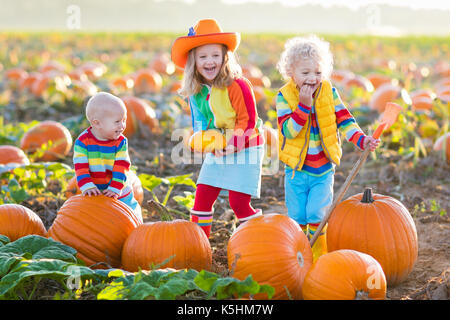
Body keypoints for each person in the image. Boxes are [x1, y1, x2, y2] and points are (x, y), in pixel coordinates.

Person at [275, 35, 380, 261]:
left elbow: (345, 120)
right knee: (296, 215)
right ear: (291, 73)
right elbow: (288, 131)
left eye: (318, 72)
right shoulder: (284, 97)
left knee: (317, 214)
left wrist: (362, 140)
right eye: (305, 73)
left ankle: (317, 257)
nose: (313, 78)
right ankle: (297, 258)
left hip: (322, 170)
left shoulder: (329, 93)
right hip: (296, 171)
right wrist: (303, 107)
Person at [171, 18, 265, 238]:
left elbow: (248, 120)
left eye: (215, 55)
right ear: (193, 61)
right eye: (203, 56)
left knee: (238, 202)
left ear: (225, 57)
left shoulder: (237, 85)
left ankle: (260, 238)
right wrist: (205, 144)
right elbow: (201, 125)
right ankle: (200, 244)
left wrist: (234, 145)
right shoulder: (196, 91)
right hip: (219, 145)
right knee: (203, 195)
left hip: (247, 145)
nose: (210, 61)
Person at [73, 91, 142, 221]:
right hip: (95, 189)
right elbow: (81, 167)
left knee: (130, 213)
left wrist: (116, 187)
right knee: (95, 219)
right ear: (97, 123)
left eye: (124, 120)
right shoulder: (82, 142)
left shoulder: (121, 141)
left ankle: (137, 228)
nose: (122, 126)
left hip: (118, 189)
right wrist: (87, 185)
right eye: (117, 122)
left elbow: (122, 166)